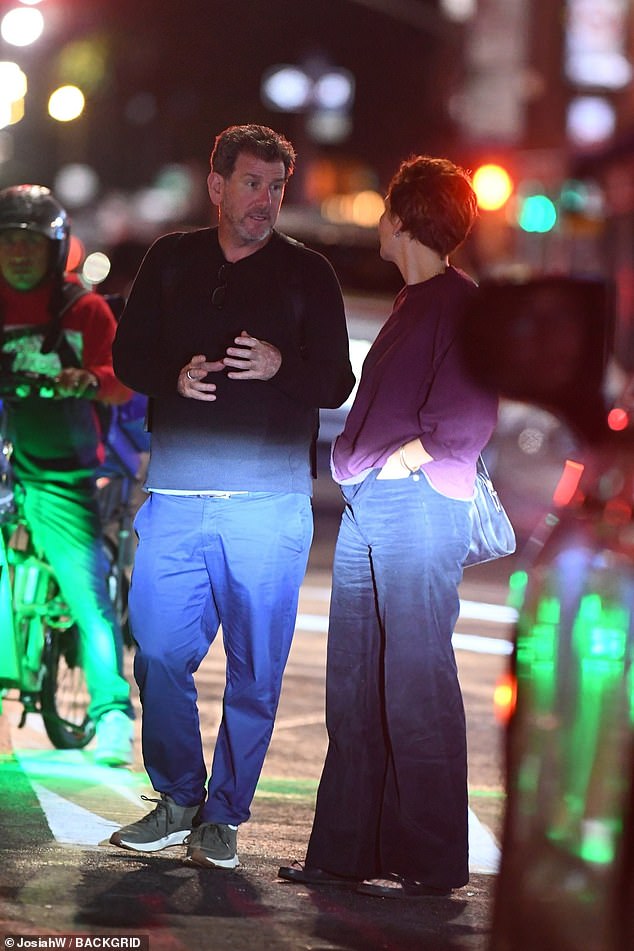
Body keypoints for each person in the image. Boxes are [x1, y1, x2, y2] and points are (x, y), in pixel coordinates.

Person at [109, 124, 355, 868]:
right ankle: (179, 795)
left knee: (256, 668)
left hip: (268, 503)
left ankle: (223, 814)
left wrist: (282, 363)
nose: (266, 201)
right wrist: (171, 374)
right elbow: (127, 354)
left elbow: (336, 381)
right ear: (216, 185)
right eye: (253, 183)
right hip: (178, 493)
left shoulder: (308, 273)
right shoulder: (171, 257)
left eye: (278, 186)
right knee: (155, 649)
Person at [278, 155, 498, 898]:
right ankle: (346, 851)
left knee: (415, 680)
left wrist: (396, 461)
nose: (378, 219)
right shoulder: (418, 298)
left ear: (402, 219)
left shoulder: (459, 302)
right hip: (376, 499)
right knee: (356, 679)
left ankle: (431, 862)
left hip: (415, 502)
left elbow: (463, 423)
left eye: (384, 210)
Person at [0, 184, 135, 766]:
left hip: (64, 471)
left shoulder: (83, 310)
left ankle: (111, 716)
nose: (18, 254)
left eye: (30, 243)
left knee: (87, 593)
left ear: (55, 251)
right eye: (8, 242)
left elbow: (120, 379)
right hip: (9, 462)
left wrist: (88, 379)